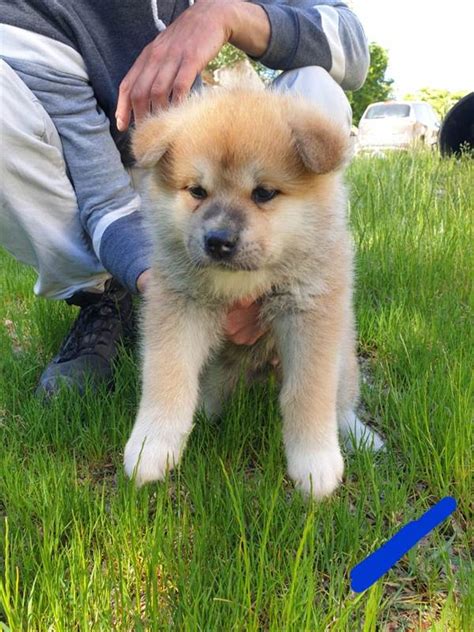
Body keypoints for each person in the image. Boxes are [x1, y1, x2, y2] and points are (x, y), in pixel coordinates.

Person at [0, 0, 369, 396]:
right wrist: (163, 282)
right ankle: (106, 295)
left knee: (315, 82)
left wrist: (225, 16)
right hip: (131, 181)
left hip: (227, 188)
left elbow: (350, 46)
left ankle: (293, 293)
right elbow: (104, 201)